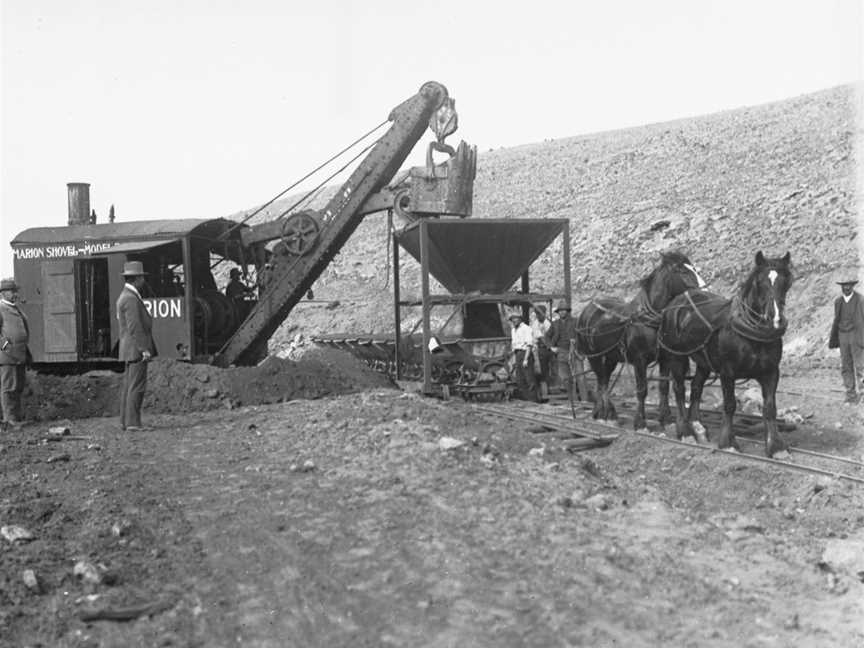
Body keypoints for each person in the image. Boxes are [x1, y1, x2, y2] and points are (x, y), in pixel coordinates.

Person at [117, 261, 157, 431]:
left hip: (129, 349)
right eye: (141, 277)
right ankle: (132, 423)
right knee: (137, 386)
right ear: (137, 278)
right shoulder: (131, 299)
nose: (143, 280)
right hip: (135, 349)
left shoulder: (126, 296)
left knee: (129, 385)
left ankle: (126, 421)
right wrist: (144, 349)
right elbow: (135, 327)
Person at [0, 278, 31, 428]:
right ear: (4, 293)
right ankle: (9, 420)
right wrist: (6, 348)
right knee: (8, 387)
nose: (15, 294)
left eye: (15, 291)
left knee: (18, 386)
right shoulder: (0, 309)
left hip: (20, 354)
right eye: (12, 291)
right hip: (8, 356)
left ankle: (16, 418)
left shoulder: (16, 308)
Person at [829, 279, 864, 404]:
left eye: (849, 285)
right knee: (846, 366)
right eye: (844, 285)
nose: (846, 288)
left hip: (856, 336)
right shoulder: (838, 302)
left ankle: (863, 394)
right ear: (841, 287)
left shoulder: (861, 300)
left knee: (861, 366)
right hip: (842, 336)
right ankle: (850, 394)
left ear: (853, 286)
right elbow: (836, 320)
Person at [545, 301, 581, 401]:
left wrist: (576, 341)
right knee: (565, 378)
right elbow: (546, 336)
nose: (562, 312)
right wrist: (551, 347)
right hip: (561, 352)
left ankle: (584, 400)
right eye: (560, 311)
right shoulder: (555, 324)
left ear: (567, 311)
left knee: (580, 377)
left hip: (575, 352)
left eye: (564, 310)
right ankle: (572, 400)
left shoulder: (575, 321)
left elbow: (582, 335)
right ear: (558, 312)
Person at [508, 312, 535, 400]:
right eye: (512, 319)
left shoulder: (526, 328)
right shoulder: (513, 330)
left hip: (525, 353)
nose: (514, 320)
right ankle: (526, 399)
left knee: (529, 378)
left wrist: (526, 359)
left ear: (520, 319)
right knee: (520, 379)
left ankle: (534, 399)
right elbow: (514, 346)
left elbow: (529, 345)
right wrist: (513, 359)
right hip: (517, 354)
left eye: (516, 318)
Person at [529, 305, 552, 401]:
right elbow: (540, 337)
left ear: (544, 313)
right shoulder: (535, 324)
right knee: (541, 370)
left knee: (551, 369)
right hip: (539, 349)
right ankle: (543, 393)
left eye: (540, 313)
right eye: (537, 314)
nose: (539, 316)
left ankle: (552, 388)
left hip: (549, 349)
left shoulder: (548, 323)